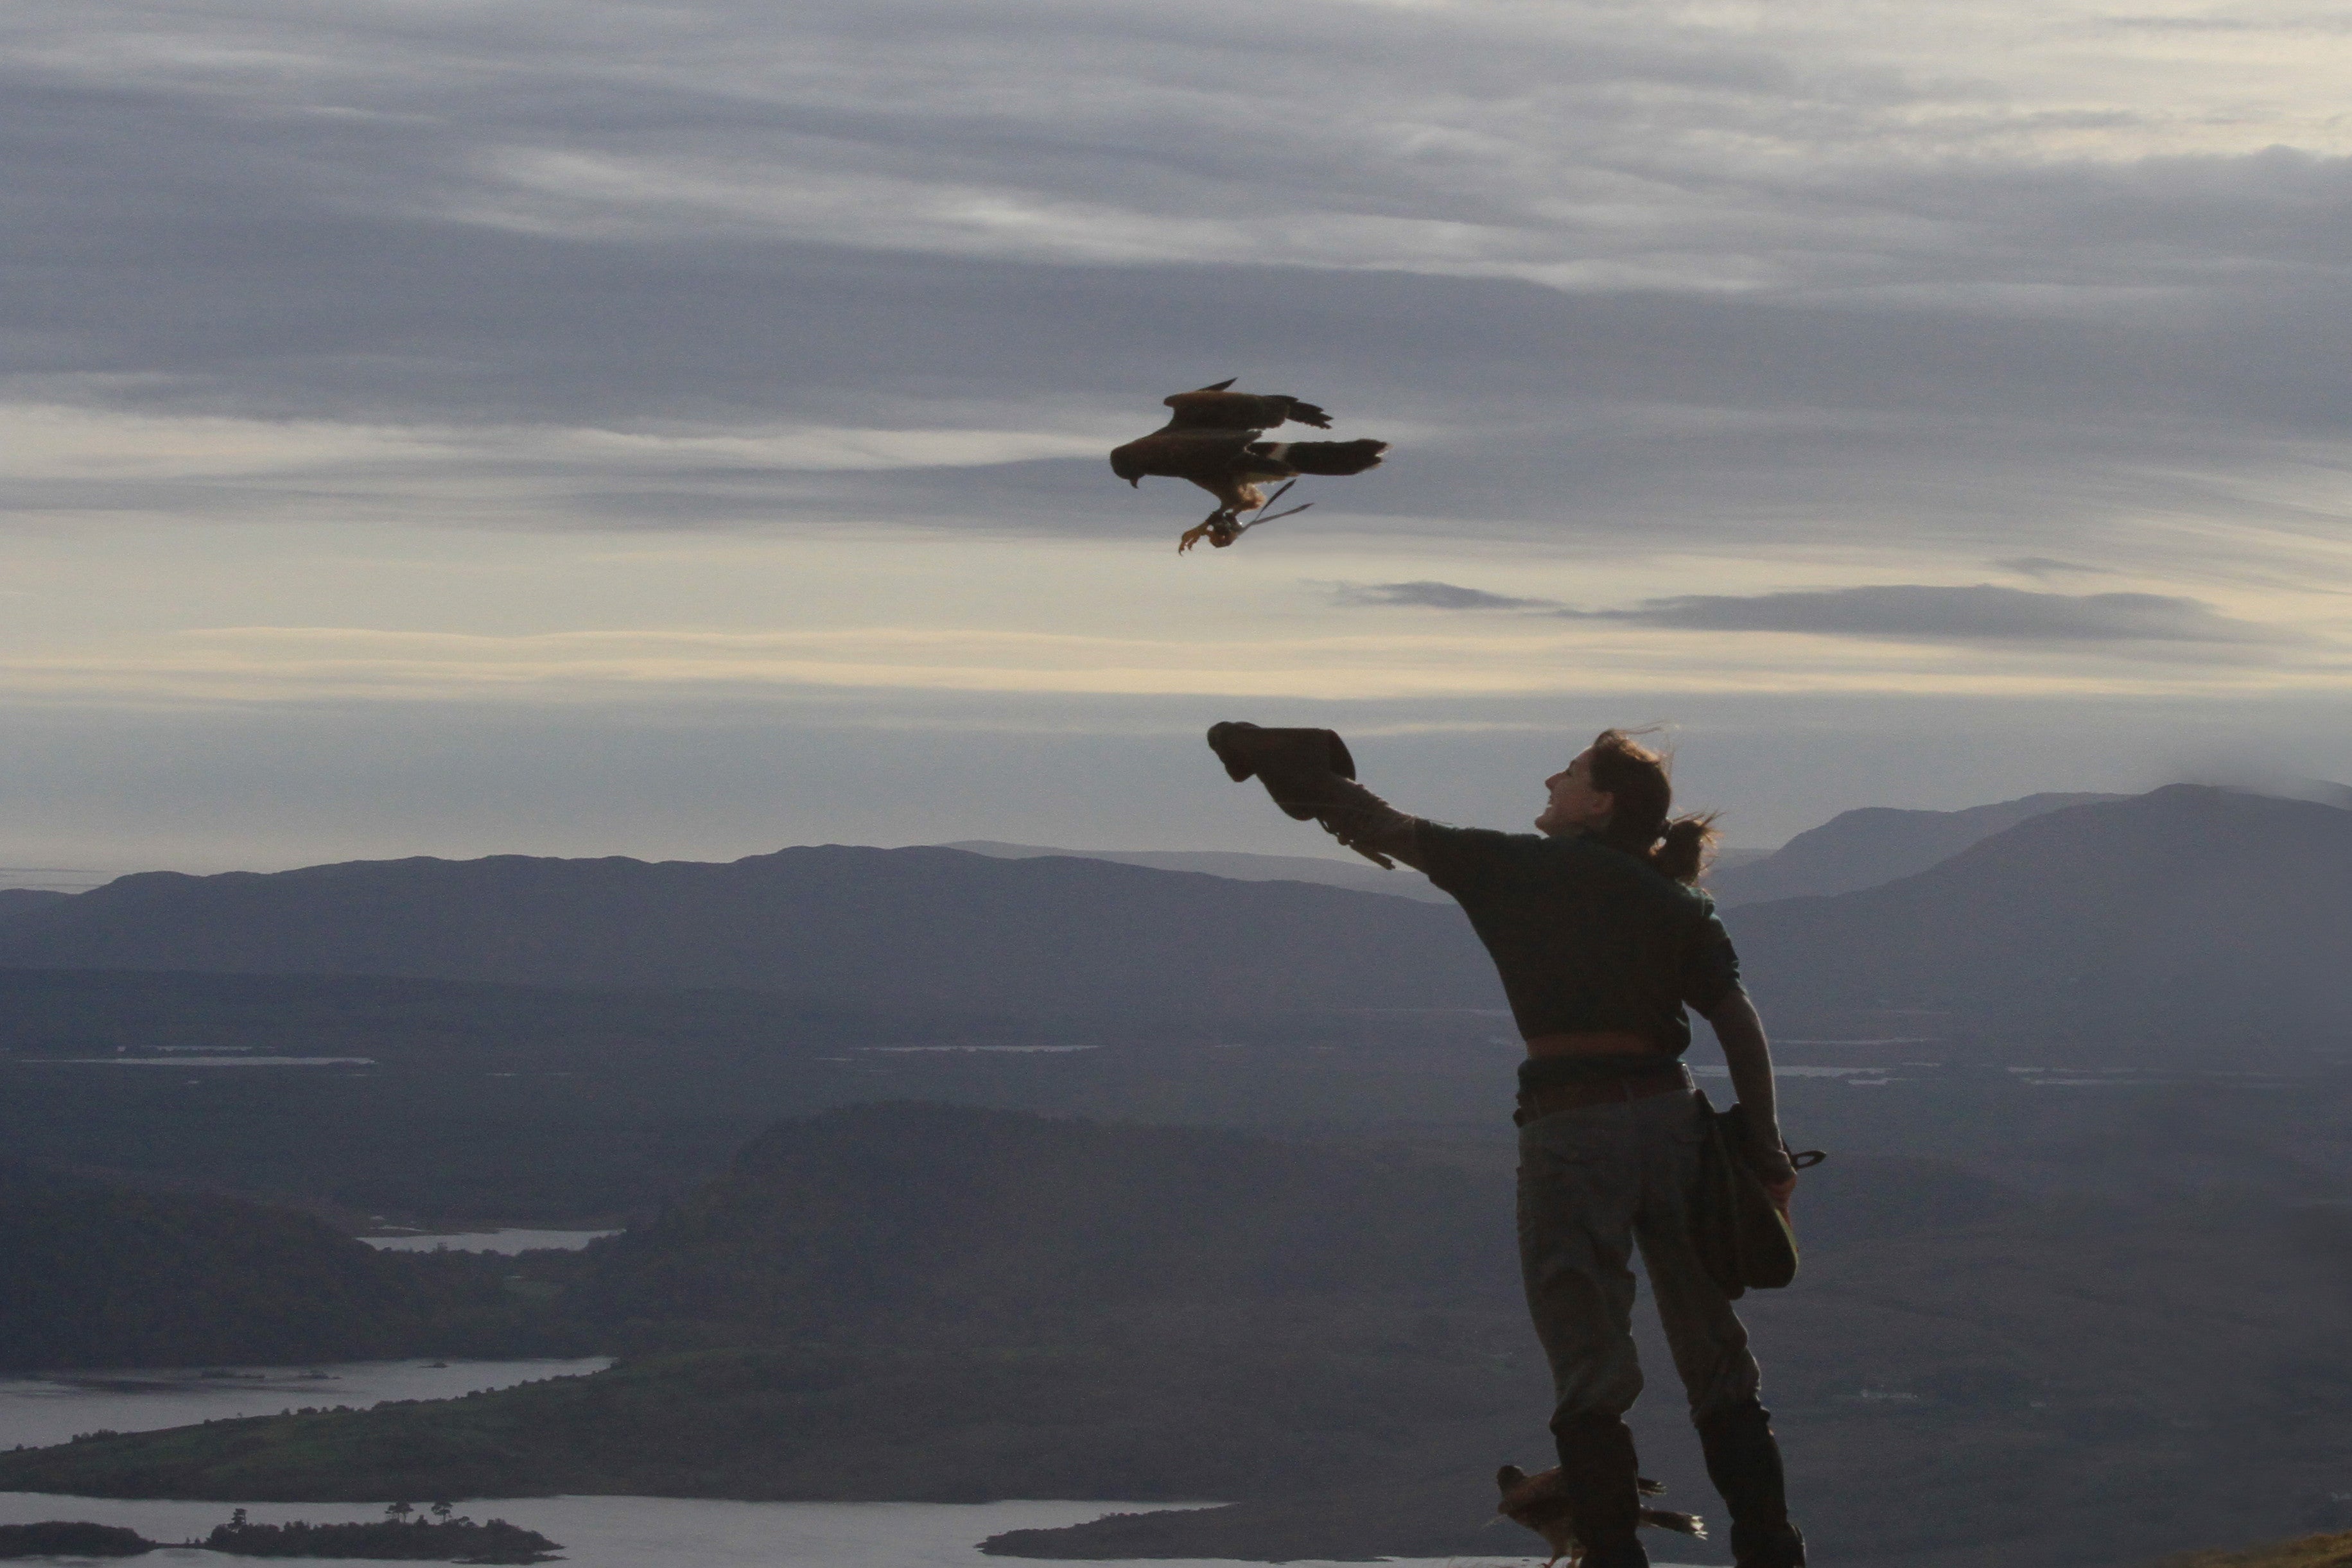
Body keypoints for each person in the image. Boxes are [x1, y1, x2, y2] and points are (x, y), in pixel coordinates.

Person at [1207, 722, 1808, 1568]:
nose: (1549, 779)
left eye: (1567, 774)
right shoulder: (1675, 900)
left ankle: (1610, 1554)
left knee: (1587, 1358)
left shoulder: (1515, 868)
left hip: (1572, 1127)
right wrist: (1767, 1154)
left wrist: (1276, 759)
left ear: (1599, 803)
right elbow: (1740, 1026)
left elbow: (1378, 825)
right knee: (1716, 1356)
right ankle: (1772, 1548)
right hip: (1675, 1122)